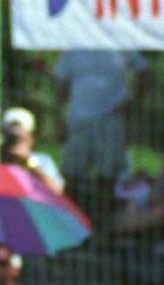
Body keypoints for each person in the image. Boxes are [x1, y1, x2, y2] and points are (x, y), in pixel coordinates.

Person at [54, 50, 149, 220]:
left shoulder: (120, 40)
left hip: (111, 119)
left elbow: (144, 70)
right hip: (77, 120)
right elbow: (62, 82)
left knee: (107, 177)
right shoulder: (72, 45)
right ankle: (70, 223)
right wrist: (59, 118)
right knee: (71, 175)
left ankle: (103, 225)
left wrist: (133, 103)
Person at [0, 106, 64, 194]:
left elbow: (57, 190)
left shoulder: (42, 161)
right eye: (11, 138)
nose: (15, 142)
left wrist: (30, 163)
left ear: (31, 137)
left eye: (20, 138)